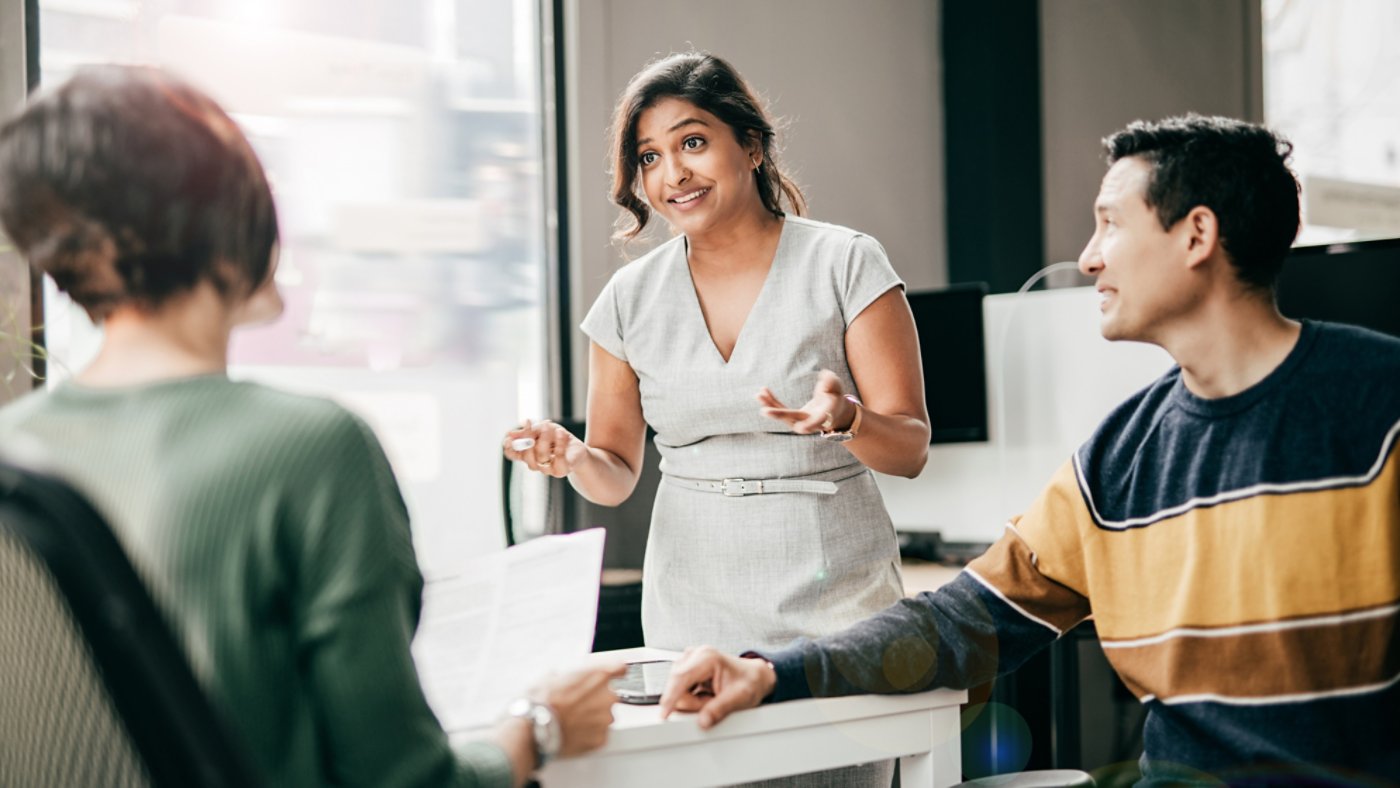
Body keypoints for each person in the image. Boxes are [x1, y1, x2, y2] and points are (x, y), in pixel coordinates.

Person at [658, 114, 1400, 785]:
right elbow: (961, 623)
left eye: (1109, 225)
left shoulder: (1378, 409)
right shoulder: (1120, 459)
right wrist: (771, 673)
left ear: (1196, 236)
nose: (1087, 259)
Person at [0, 65, 623, 788]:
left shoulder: (14, 447)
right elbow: (405, 781)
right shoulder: (312, 451)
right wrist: (537, 730)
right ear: (231, 222)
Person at [504, 50, 930, 788]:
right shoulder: (629, 302)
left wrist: (849, 418)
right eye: (650, 156)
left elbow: (910, 448)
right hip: (691, 616)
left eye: (693, 142)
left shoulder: (845, 263)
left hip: (834, 614)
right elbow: (614, 475)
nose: (674, 173)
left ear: (752, 145)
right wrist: (572, 456)